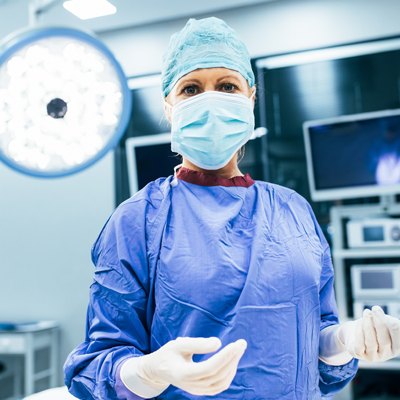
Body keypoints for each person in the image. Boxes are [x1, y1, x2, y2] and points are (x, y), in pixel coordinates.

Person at [64, 17, 400, 400]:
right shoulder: (136, 220)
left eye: (227, 86)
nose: (210, 101)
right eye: (191, 89)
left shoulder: (295, 211)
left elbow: (316, 350)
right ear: (170, 108)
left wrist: (344, 339)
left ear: (250, 99)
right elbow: (98, 364)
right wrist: (149, 371)